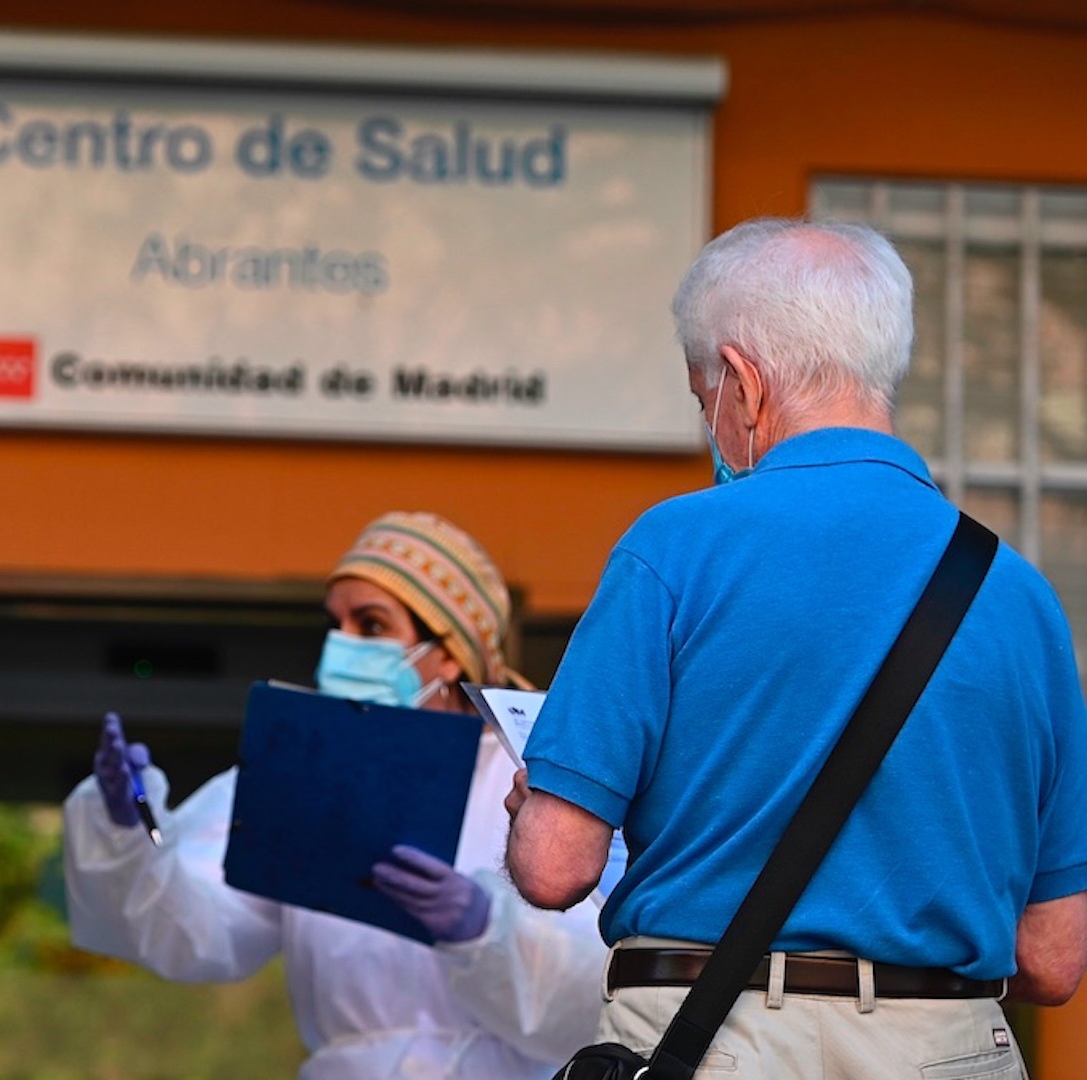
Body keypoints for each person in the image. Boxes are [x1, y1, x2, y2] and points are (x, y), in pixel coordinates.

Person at [506, 217, 1087, 1077]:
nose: (712, 420)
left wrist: (531, 808)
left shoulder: (675, 548)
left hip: (721, 1043)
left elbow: (557, 866)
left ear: (743, 382)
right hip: (952, 1051)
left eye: (703, 398)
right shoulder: (1023, 597)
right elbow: (1052, 956)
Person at [63, 511, 610, 1079]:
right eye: (336, 624)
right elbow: (192, 928)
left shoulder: (532, 777)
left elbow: (605, 985)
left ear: (448, 651)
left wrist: (484, 930)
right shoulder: (303, 773)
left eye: (371, 626)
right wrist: (126, 833)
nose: (340, 645)